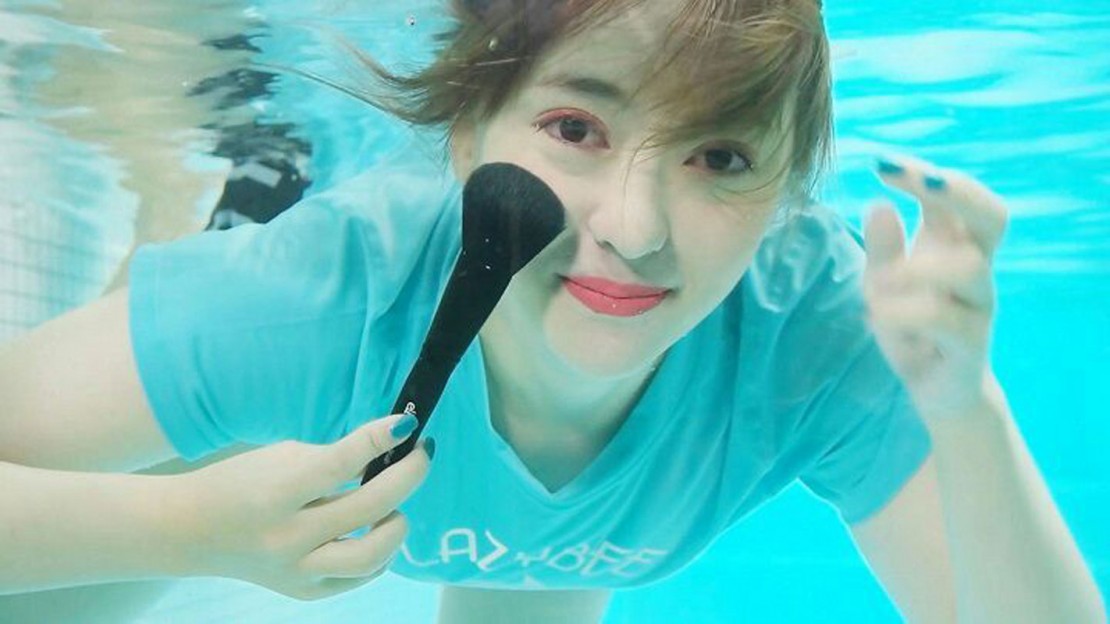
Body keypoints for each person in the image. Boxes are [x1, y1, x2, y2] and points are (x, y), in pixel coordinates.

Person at [0, 0, 1104, 622]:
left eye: (721, 156)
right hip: (280, 361)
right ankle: (192, 205)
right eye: (575, 129)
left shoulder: (816, 333)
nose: (635, 227)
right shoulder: (323, 297)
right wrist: (188, 529)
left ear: (785, 198)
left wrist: (968, 414)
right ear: (467, 135)